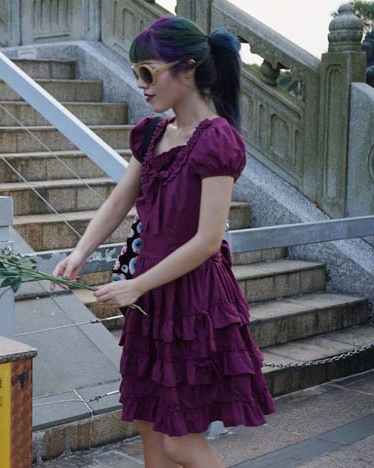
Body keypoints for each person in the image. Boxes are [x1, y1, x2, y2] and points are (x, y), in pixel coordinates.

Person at [50, 15, 276, 468]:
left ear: (186, 70)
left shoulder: (217, 139)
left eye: (148, 72)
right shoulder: (153, 133)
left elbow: (209, 241)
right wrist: (80, 252)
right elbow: (119, 201)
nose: (141, 85)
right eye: (137, 74)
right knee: (151, 434)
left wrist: (136, 285)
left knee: (180, 444)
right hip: (151, 298)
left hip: (193, 299)